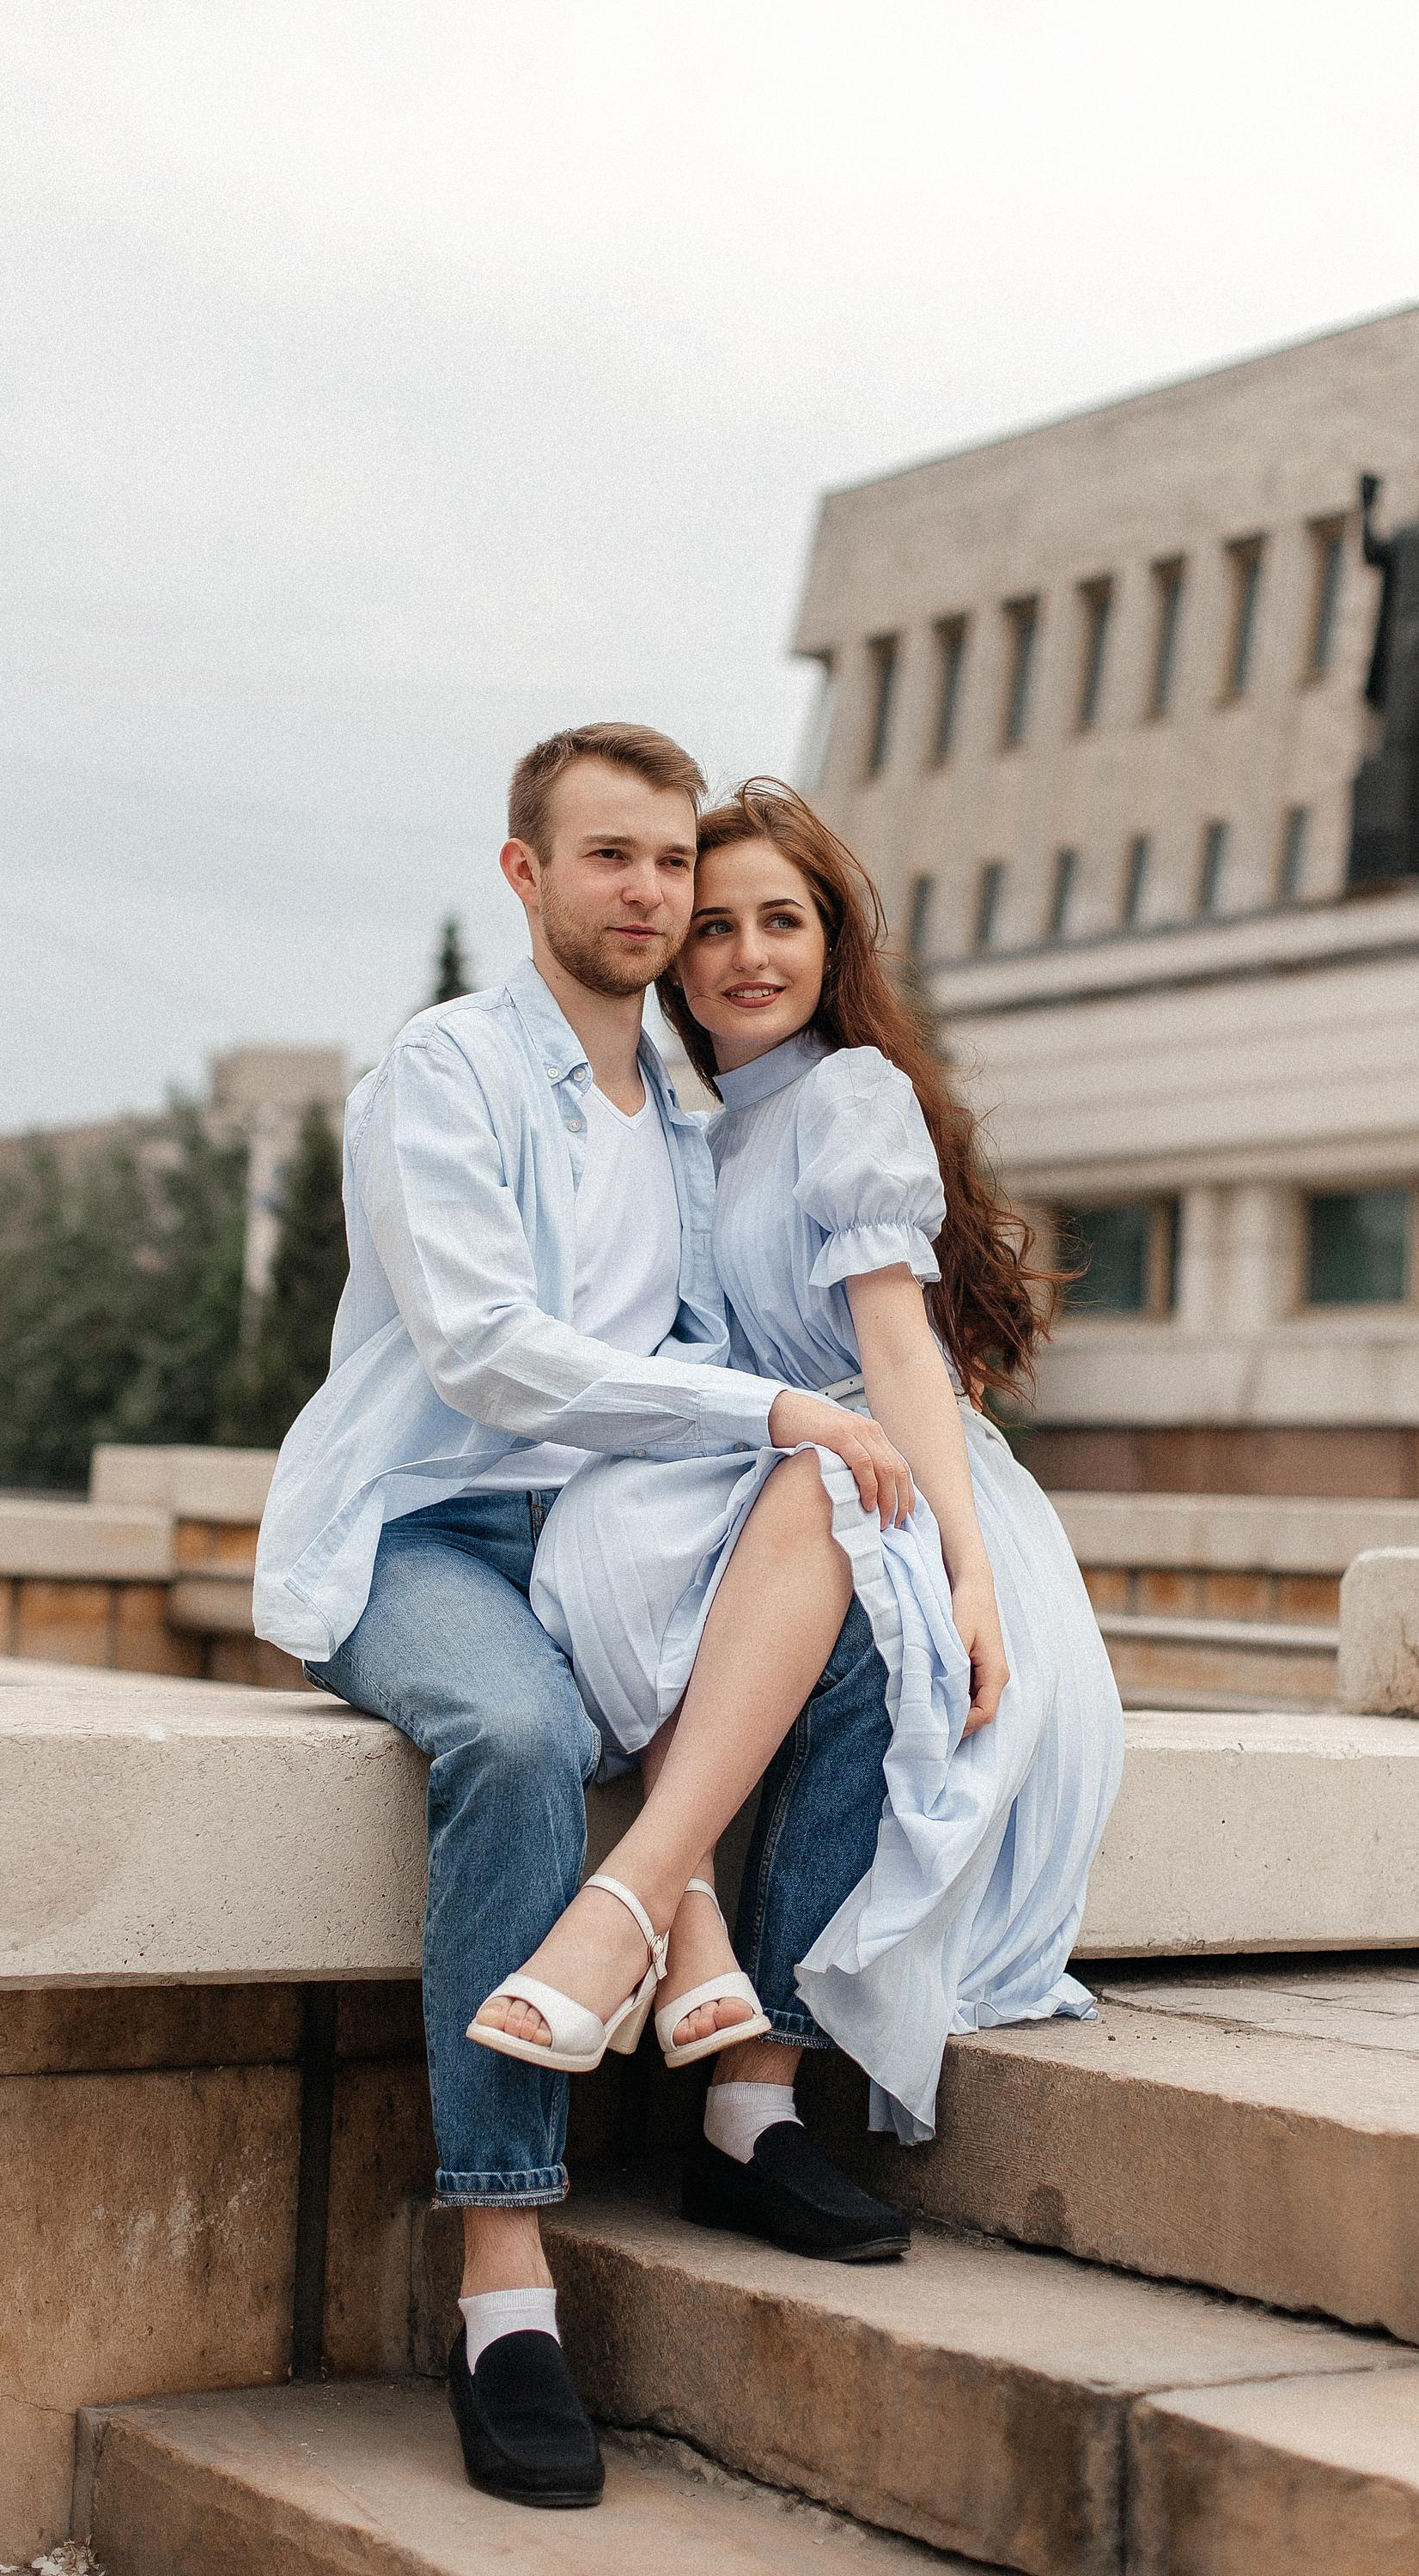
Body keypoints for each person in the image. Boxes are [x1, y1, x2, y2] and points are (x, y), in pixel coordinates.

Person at [253, 725, 915, 2515]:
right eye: (604, 857)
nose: (648, 893)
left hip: (606, 1524)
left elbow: (699, 1342)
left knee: (870, 1624)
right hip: (424, 1525)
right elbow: (481, 1353)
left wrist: (832, 1425)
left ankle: (744, 2104)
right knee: (526, 1733)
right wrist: (766, 1415)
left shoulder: (692, 1106)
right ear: (523, 876)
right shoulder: (446, 1072)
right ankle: (501, 2283)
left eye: (665, 862)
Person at [502, 779, 1124, 2149]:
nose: (746, 957)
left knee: (877, 1664)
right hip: (759, 1460)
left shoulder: (851, 1094)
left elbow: (900, 1357)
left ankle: (746, 2073)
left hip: (895, 1465)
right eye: (711, 928)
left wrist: (967, 1573)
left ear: (833, 944)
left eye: (781, 922)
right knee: (611, 1547)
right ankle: (696, 1963)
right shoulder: (688, 1124)